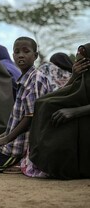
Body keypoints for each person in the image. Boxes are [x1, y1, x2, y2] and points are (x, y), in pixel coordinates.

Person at [0, 37, 52, 173]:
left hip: (20, 146)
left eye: (26, 51)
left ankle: (18, 162)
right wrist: (2, 135)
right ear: (12, 56)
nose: (21, 55)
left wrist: (7, 138)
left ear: (35, 56)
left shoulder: (36, 79)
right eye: (17, 52)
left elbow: (31, 116)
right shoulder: (24, 79)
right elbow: (18, 118)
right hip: (13, 141)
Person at [26, 43, 90, 179]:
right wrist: (74, 76)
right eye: (78, 62)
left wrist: (75, 111)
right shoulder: (81, 78)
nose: (81, 65)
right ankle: (47, 161)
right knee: (44, 104)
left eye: (85, 62)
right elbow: (59, 95)